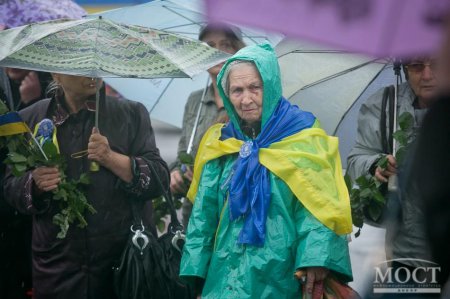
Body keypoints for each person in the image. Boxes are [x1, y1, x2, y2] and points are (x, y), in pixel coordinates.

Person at [179, 44, 353, 298]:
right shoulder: (222, 142)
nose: (246, 99)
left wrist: (316, 258)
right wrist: (194, 275)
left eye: (254, 88)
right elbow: (202, 219)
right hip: (224, 279)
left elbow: (320, 208)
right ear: (227, 95)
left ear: (269, 87)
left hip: (283, 279)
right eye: (237, 90)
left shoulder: (303, 137)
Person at [3, 74, 169, 299]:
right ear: (56, 73)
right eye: (80, 66)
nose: (91, 74)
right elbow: (11, 188)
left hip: (123, 267)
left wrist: (112, 159)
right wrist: (34, 183)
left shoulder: (131, 114)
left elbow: (159, 179)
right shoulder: (30, 119)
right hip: (57, 269)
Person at [346, 56, 441, 292]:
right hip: (404, 253)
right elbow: (356, 158)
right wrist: (375, 165)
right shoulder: (384, 105)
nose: (427, 75)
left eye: (437, 64)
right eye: (417, 66)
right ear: (404, 69)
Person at [169, 24, 245, 228]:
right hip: (193, 213)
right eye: (209, 45)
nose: (217, 51)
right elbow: (183, 152)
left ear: (237, 51)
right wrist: (176, 172)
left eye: (225, 45)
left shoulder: (247, 100)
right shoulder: (194, 100)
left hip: (232, 212)